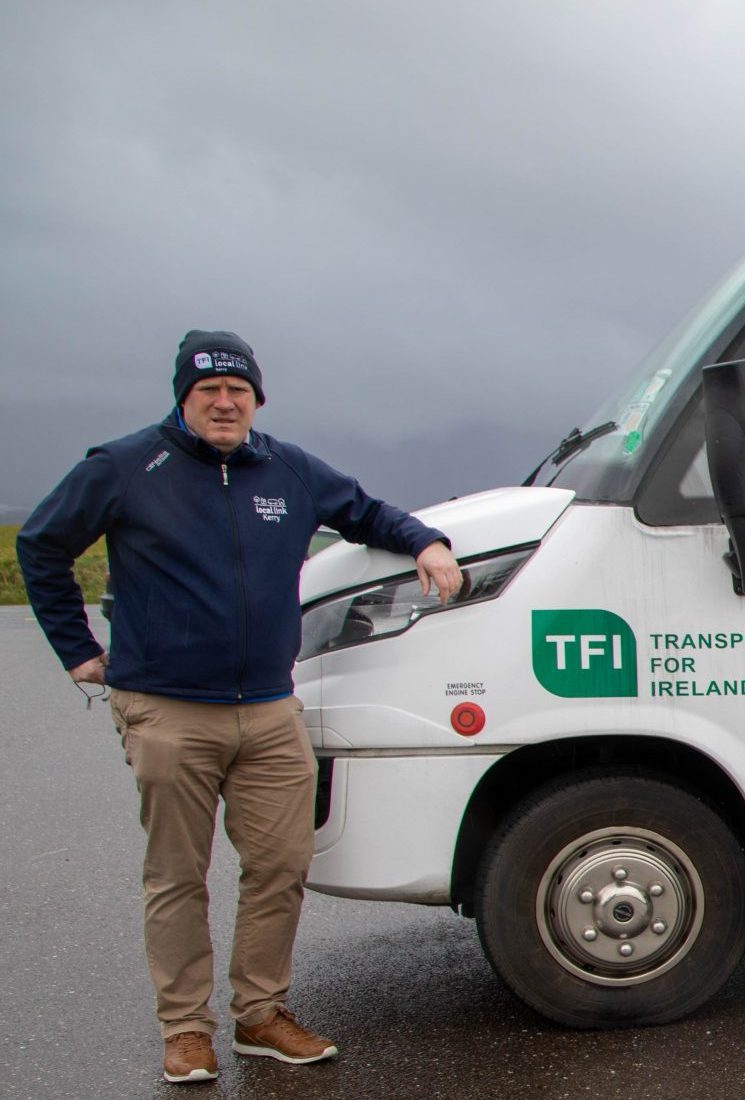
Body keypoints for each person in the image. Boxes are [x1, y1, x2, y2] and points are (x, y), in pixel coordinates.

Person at [17, 330, 461, 1084]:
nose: (224, 403)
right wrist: (77, 649)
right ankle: (186, 1029)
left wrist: (429, 543)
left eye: (238, 391)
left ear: (256, 397)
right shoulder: (125, 466)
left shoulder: (286, 469)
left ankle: (260, 1013)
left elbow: (366, 511)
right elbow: (40, 544)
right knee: (177, 875)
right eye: (207, 391)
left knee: (281, 863)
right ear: (183, 398)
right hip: (166, 709)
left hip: (267, 707)